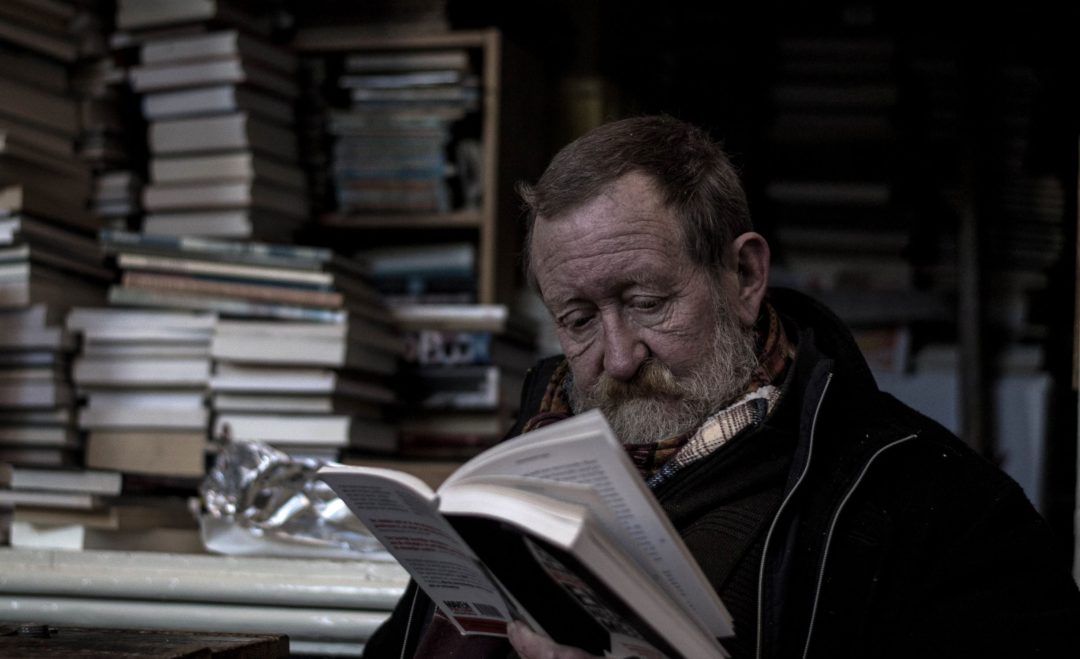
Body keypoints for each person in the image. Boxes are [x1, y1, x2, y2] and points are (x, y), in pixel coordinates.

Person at [363, 114, 1080, 658]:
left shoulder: (938, 505)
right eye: (578, 319)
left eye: (647, 303)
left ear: (744, 277)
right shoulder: (514, 479)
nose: (616, 358)